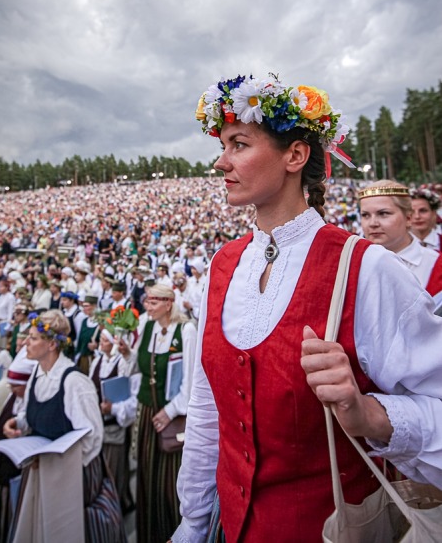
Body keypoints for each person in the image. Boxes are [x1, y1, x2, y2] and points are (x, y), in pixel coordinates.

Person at [172, 72, 442, 543]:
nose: (220, 162)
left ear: (294, 155)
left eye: (238, 143)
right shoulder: (223, 264)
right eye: (222, 146)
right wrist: (194, 521)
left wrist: (367, 413)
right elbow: (207, 406)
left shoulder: (366, 267)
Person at [3, 309, 126, 543]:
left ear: (51, 345)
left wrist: (61, 467)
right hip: (43, 471)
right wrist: (17, 423)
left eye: (33, 338)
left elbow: (92, 438)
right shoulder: (38, 374)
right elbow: (32, 414)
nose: (25, 343)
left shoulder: (75, 382)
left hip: (70, 478)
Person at [119, 284, 197, 543]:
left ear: (167, 303)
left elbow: (191, 380)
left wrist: (170, 410)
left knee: (168, 481)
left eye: (153, 302)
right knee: (146, 475)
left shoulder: (185, 331)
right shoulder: (146, 327)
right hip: (146, 411)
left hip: (171, 415)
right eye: (147, 301)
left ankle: (171, 534)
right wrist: (126, 353)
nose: (148, 306)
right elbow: (136, 367)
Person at [359, 180, 442, 304]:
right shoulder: (352, 263)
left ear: (408, 218)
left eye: (383, 213)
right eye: (365, 215)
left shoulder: (436, 264)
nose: (372, 223)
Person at [0, 349, 36, 543]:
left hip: (16, 471)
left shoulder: (30, 402)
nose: (12, 389)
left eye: (16, 386)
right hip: (3, 466)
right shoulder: (14, 397)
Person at [89, 327, 139, 515]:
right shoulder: (97, 362)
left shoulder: (123, 364)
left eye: (105, 340)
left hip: (115, 428)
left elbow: (133, 399)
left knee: (114, 471)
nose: (101, 344)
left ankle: (116, 508)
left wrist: (114, 409)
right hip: (98, 426)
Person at [410, 188, 442, 252]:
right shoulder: (395, 245)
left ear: (433, 213)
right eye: (411, 211)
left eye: (423, 211)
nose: (417, 216)